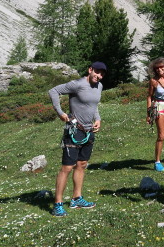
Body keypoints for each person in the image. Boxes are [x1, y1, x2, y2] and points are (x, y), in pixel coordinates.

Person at [48, 61, 107, 217]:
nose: (99, 76)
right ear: (90, 70)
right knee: (67, 167)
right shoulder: (77, 84)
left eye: (102, 74)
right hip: (74, 130)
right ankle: (58, 204)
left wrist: (98, 119)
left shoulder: (99, 87)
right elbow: (53, 91)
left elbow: (94, 106)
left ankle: (76, 198)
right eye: (97, 72)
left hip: (89, 131)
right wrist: (60, 112)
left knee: (81, 164)